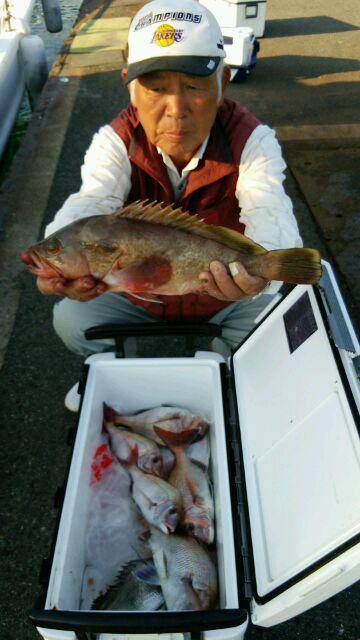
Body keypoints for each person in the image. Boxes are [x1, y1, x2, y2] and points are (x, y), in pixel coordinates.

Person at [23, 0, 302, 410]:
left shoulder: (253, 140)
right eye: (156, 88)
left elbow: (270, 213)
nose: (176, 110)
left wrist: (257, 276)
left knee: (280, 320)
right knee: (71, 320)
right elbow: (89, 203)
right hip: (137, 297)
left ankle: (222, 364)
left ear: (223, 81)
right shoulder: (114, 141)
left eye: (194, 86)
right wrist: (60, 259)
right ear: (129, 85)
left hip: (222, 296)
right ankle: (111, 370)